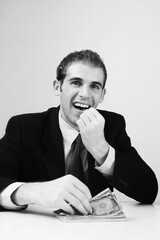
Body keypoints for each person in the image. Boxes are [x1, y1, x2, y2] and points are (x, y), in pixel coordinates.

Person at [0, 50, 158, 215]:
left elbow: (149, 191)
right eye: (76, 82)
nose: (85, 94)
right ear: (57, 87)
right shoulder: (23, 128)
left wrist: (102, 151)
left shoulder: (112, 126)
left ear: (102, 95)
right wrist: (34, 192)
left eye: (94, 86)